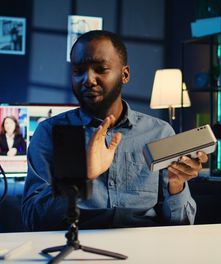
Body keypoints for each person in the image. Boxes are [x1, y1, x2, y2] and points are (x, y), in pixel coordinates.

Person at [22, 30, 208, 231]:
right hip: (79, 250)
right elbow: (33, 220)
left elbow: (182, 226)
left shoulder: (159, 133)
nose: (88, 79)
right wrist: (83, 176)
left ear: (124, 74)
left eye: (100, 69)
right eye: (78, 71)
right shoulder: (49, 133)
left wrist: (176, 186)